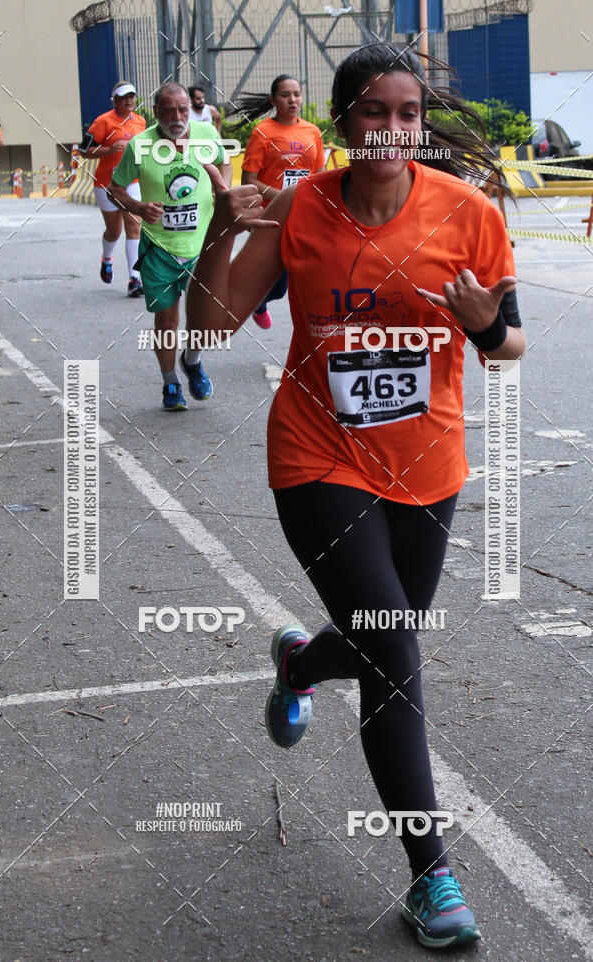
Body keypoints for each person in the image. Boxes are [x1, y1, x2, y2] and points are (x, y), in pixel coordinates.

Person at [187, 42, 526, 948]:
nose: (392, 127)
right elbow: (207, 328)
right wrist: (225, 230)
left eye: (407, 113)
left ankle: (299, 663)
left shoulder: (468, 213)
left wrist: (489, 326)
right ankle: (432, 877)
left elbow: (508, 347)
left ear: (421, 124)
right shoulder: (301, 207)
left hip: (427, 465)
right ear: (343, 124)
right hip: (317, 458)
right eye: (372, 111)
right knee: (396, 655)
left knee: (384, 644)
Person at [109, 81, 231, 412]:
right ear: (155, 113)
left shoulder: (207, 134)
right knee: (167, 321)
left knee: (206, 317)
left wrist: (224, 191)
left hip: (203, 243)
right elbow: (115, 189)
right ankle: (170, 383)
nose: (177, 116)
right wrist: (137, 208)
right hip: (160, 246)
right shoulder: (140, 145)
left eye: (183, 109)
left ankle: (191, 360)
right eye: (168, 110)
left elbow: (224, 162)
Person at [229, 74, 325, 329]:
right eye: (285, 95)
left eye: (296, 94)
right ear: (273, 100)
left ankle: (308, 329)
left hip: (304, 214)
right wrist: (284, 195)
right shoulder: (263, 132)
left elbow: (320, 175)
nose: (292, 99)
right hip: (271, 215)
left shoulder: (312, 132)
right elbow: (249, 180)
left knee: (301, 279)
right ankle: (256, 300)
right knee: (278, 284)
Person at [79, 82, 146, 296]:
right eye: (123, 97)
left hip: (132, 182)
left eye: (132, 96)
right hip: (106, 184)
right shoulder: (102, 122)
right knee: (114, 231)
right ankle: (107, 258)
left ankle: (134, 279)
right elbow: (84, 150)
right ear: (114, 100)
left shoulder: (141, 122)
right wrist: (109, 150)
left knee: (134, 227)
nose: (129, 100)